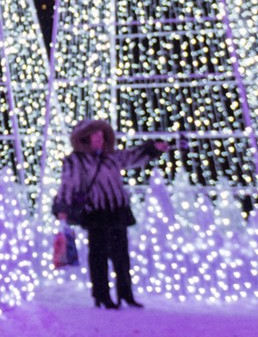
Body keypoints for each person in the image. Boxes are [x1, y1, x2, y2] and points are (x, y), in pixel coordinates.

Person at [53, 118, 170, 309]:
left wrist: (153, 148)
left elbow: (132, 156)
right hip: (96, 213)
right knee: (98, 257)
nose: (99, 139)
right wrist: (62, 209)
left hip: (117, 211)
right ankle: (102, 295)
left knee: (121, 256)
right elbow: (68, 185)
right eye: (95, 135)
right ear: (85, 138)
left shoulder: (111, 156)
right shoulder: (76, 161)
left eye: (102, 135)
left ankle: (126, 294)